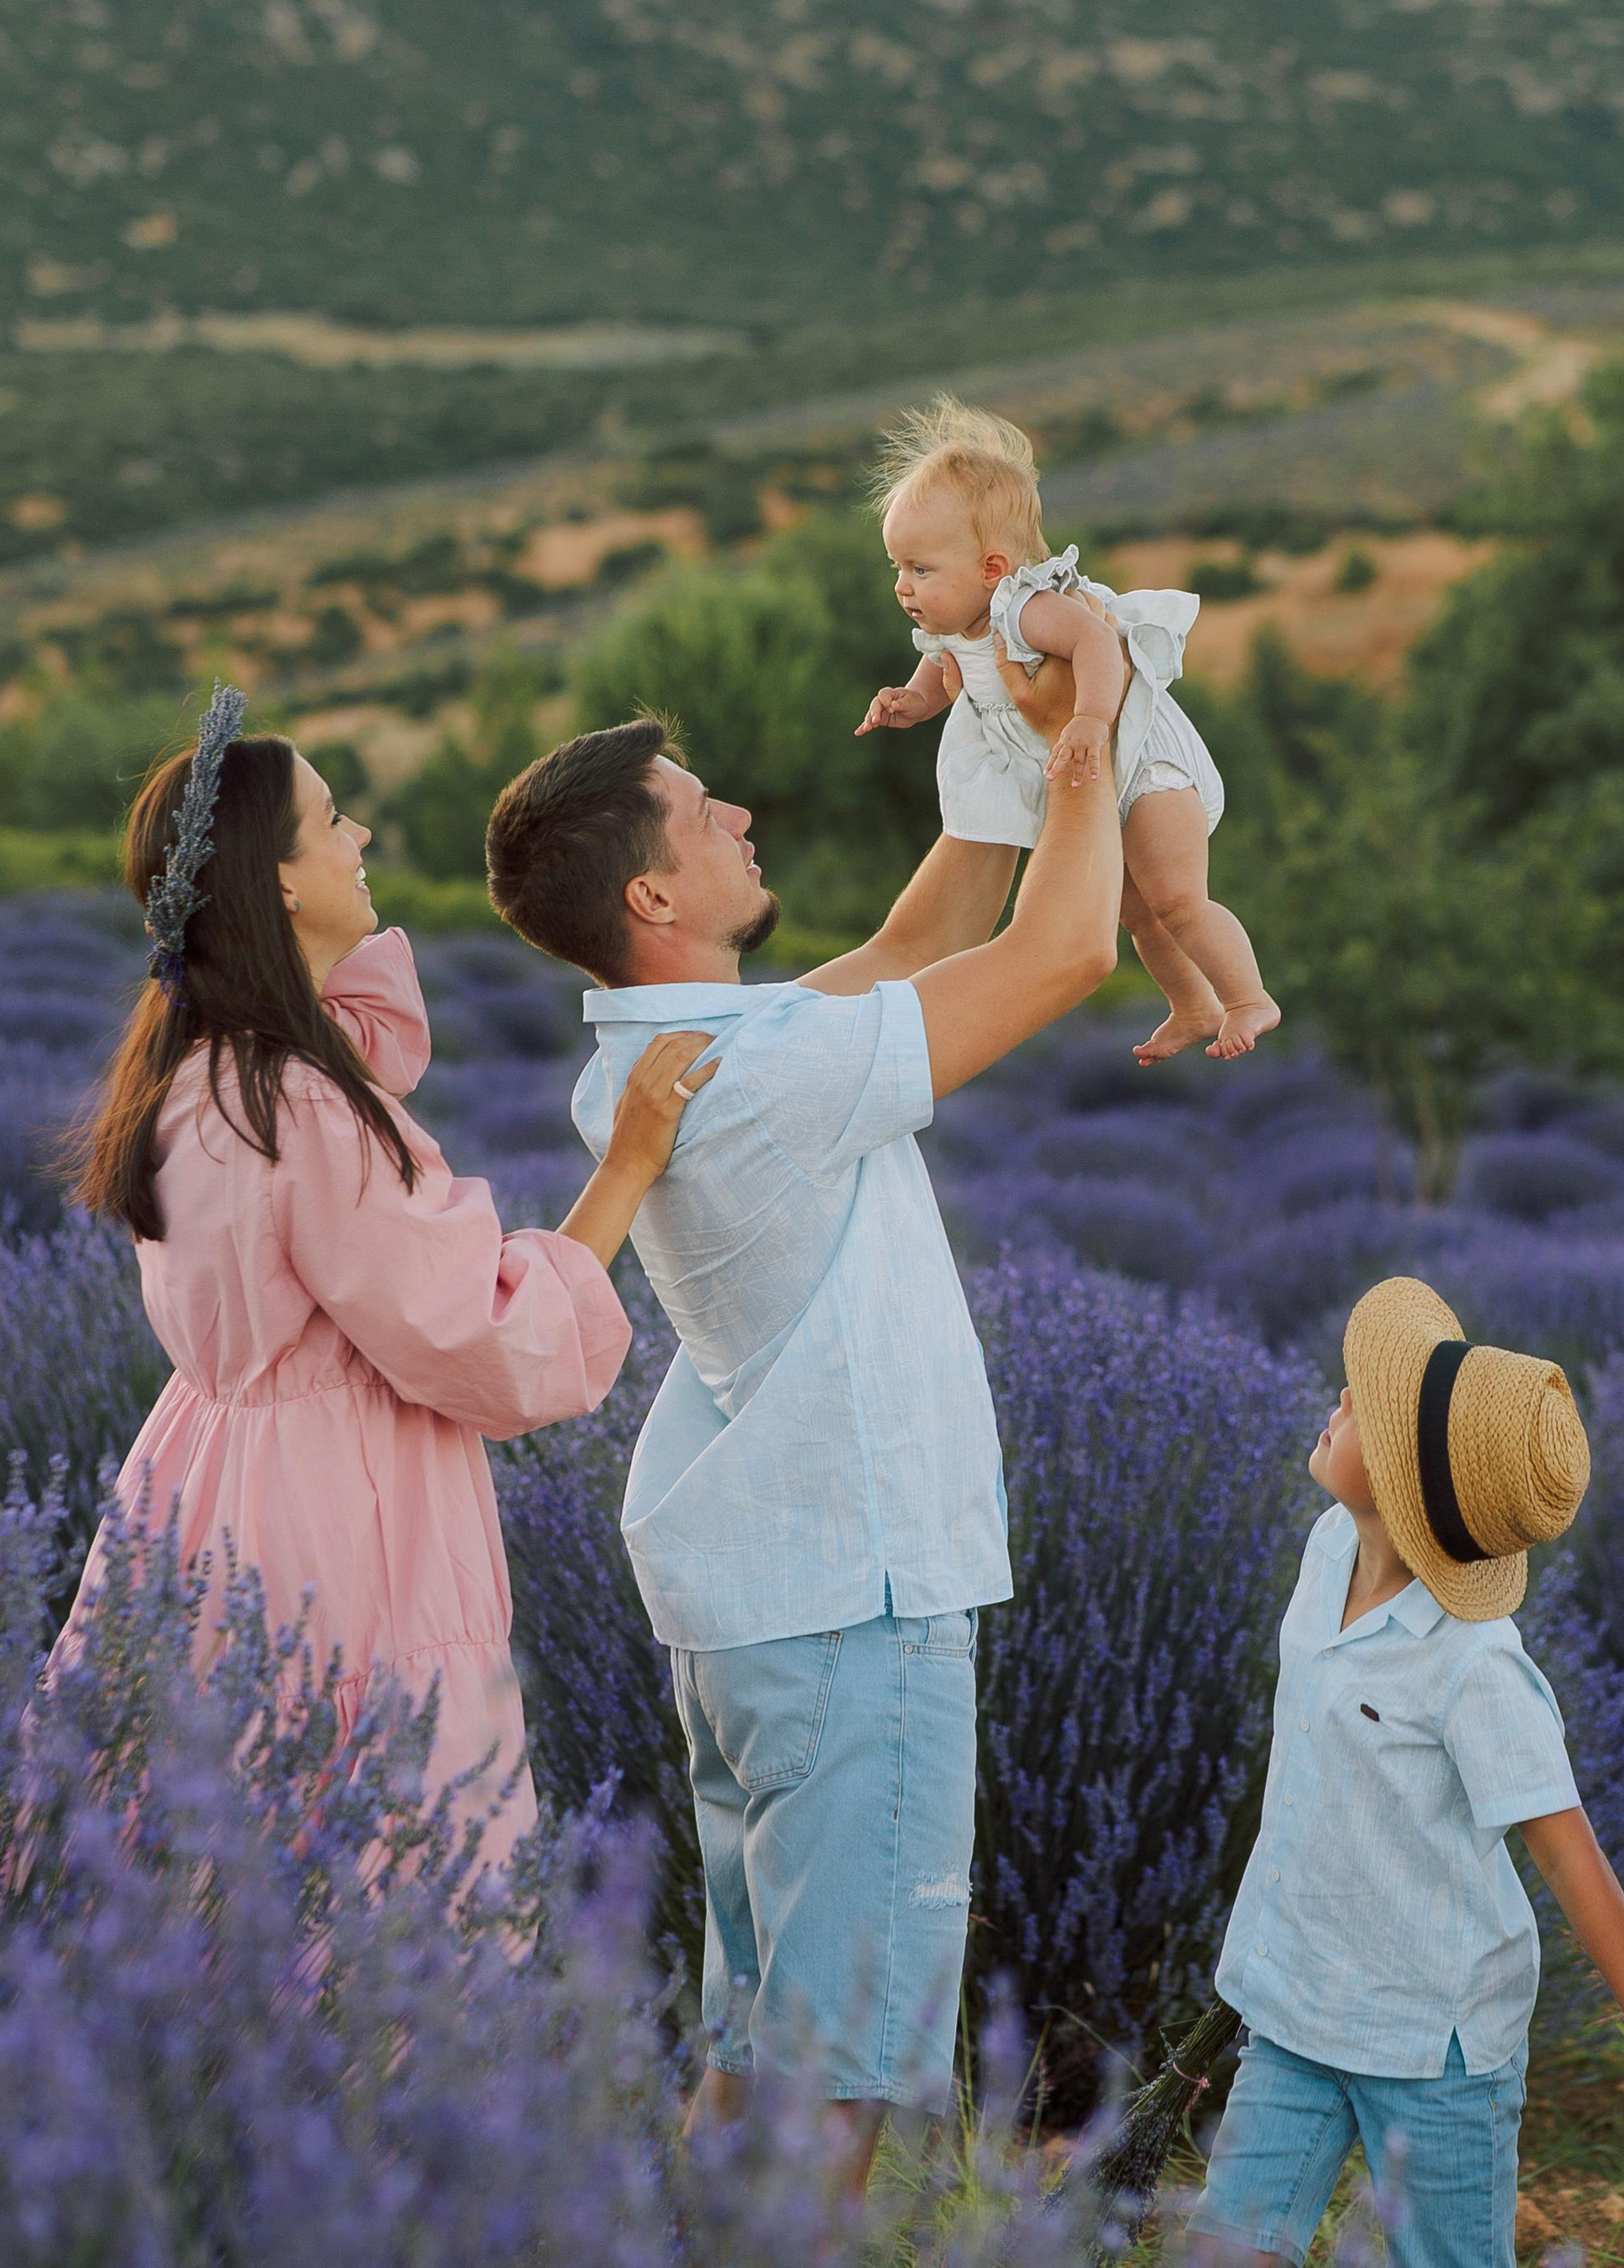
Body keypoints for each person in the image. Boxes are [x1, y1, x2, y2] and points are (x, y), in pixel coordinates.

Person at [482, 646, 1121, 2184]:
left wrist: (990, 719)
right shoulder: (760, 1078)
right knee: (835, 2086)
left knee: (756, 2046)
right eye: (702, 815)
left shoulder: (677, 1058)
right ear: (650, 898)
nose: (742, 814)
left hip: (768, 1616)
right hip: (856, 1601)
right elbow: (1066, 952)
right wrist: (1091, 735)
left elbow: (925, 931)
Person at [59, 687, 713, 1881]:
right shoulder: (298, 1105)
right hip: (340, 1506)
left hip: (202, 1485)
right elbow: (478, 1334)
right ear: (284, 882)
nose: (359, 837)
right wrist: (626, 1164)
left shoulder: (201, 1068)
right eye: (334, 818)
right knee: (377, 1850)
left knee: (216, 1839)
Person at [1186, 1277, 1624, 2268]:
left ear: (1403, 1482)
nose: (1341, 1398)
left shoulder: (1476, 1665)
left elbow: (1568, 1856)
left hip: (1432, 2050)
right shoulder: (1324, 1551)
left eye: (1369, 1405)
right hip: (1298, 2008)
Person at [855, 395, 1278, 1067]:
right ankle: (1193, 1004)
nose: (904, 587)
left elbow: (1099, 645)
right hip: (1095, 774)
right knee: (1136, 910)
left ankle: (1249, 997)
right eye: (898, 570)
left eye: (921, 569)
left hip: (1142, 761)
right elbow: (940, 675)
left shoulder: (1025, 608)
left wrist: (1087, 718)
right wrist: (908, 702)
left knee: (1178, 898)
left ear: (992, 569)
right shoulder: (955, 629)